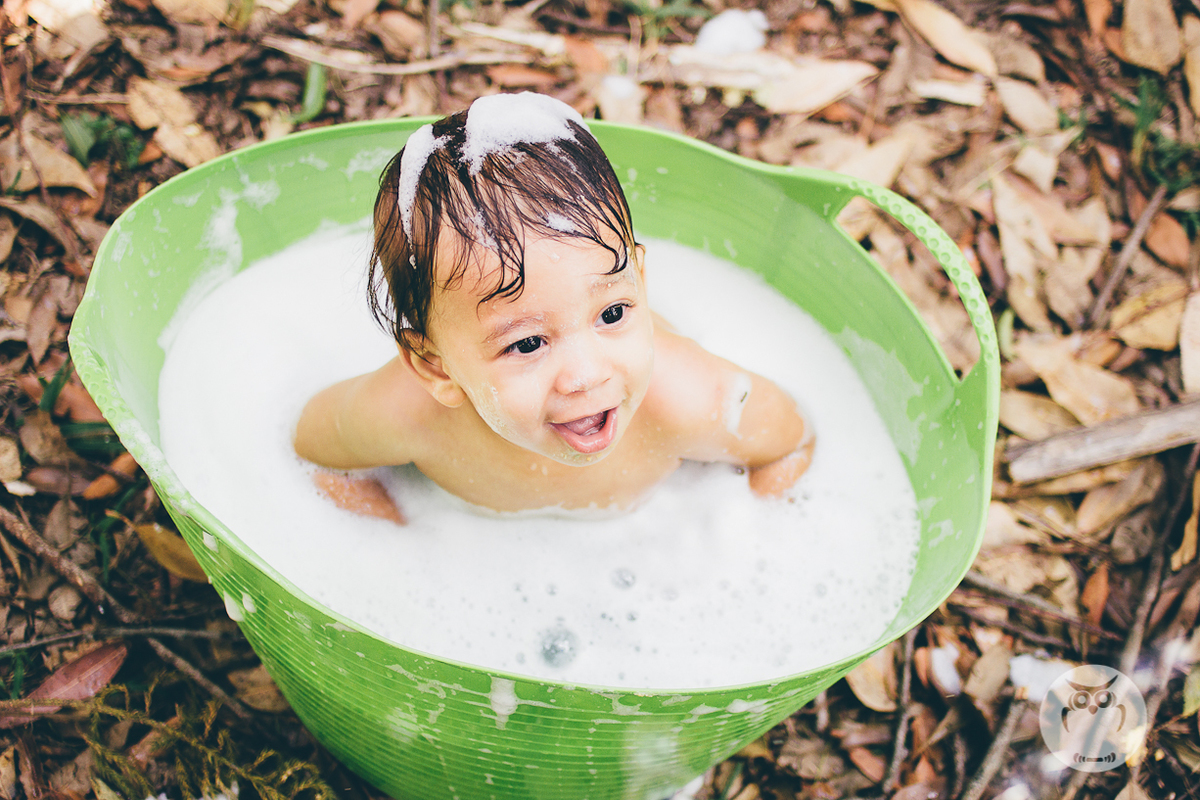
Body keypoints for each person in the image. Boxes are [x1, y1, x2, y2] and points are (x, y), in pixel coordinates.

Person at [293, 92, 813, 520]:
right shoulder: (406, 415)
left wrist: (749, 541)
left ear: (641, 282)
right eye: (527, 343)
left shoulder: (689, 399)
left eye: (612, 314)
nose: (585, 376)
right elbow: (313, 450)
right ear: (436, 367)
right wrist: (390, 533)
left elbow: (790, 444)